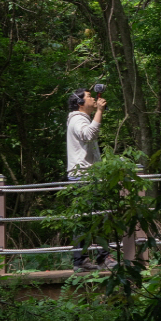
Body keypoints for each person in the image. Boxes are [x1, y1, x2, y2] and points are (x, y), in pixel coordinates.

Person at [66, 87, 115, 272]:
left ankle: (86, 261)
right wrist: (100, 112)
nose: (94, 98)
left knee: (90, 219)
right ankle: (97, 260)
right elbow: (89, 135)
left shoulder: (82, 118)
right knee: (94, 219)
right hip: (83, 178)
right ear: (80, 103)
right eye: (89, 97)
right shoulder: (78, 119)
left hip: (87, 176)